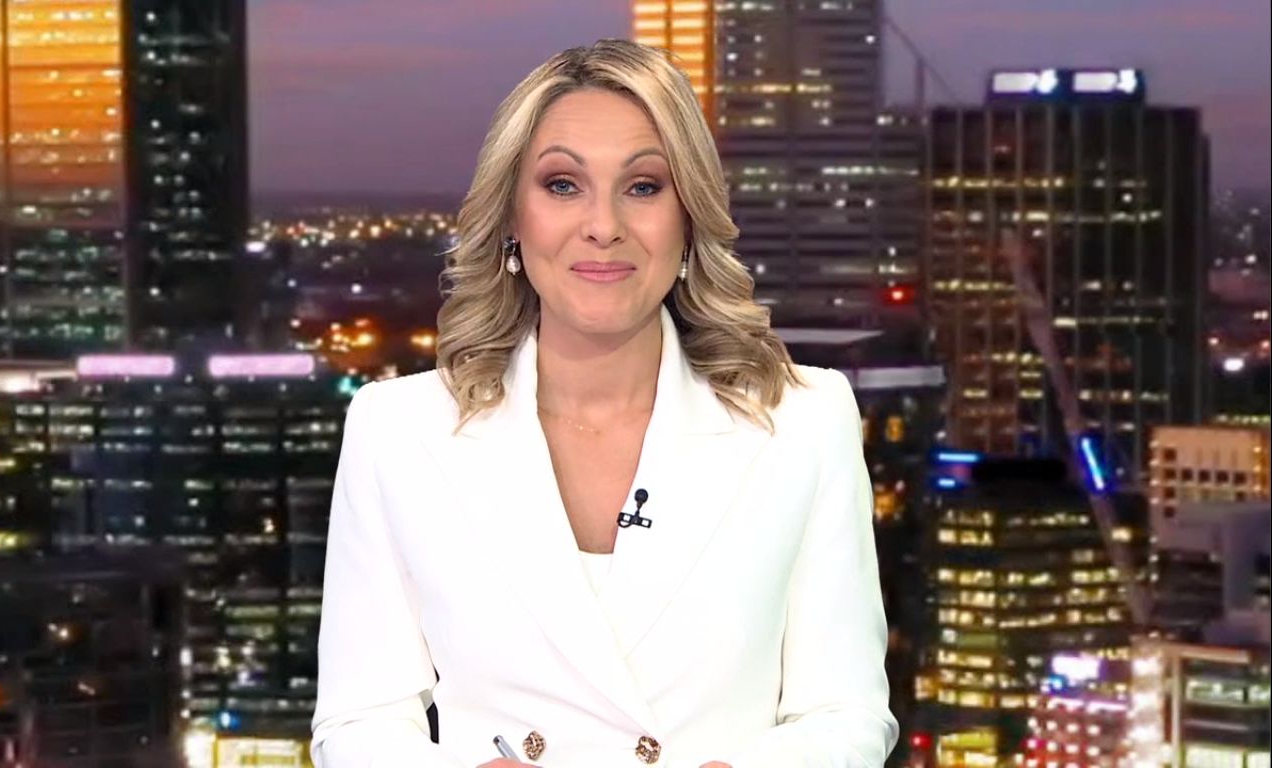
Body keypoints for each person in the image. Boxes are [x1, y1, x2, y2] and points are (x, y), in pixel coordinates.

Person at [309, 38, 899, 768]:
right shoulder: (399, 430)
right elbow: (357, 722)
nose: (603, 225)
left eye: (643, 187)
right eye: (563, 185)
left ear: (689, 218)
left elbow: (846, 714)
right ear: (512, 219)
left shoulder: (803, 421)